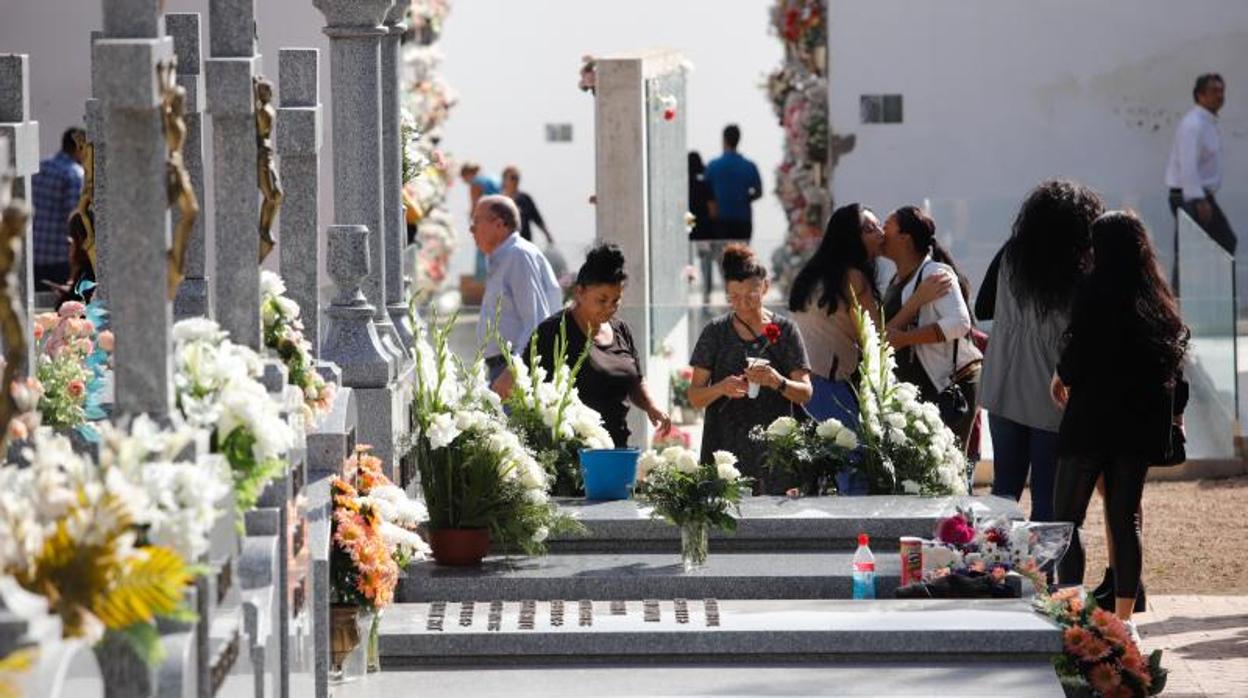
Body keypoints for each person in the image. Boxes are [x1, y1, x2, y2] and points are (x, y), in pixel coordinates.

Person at [1052, 211, 1188, 631]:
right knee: (1124, 518)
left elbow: (1074, 360)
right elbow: (1174, 369)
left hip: (1089, 421)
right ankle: (1126, 621)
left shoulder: (1090, 291)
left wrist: (1061, 378)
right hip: (1136, 425)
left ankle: (1070, 611)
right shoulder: (1156, 296)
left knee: (1067, 520)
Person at [979, 180, 1105, 522]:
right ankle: (1044, 573)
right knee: (1048, 498)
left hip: (1003, 379)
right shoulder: (1082, 266)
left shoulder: (1010, 254)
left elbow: (983, 307)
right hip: (1052, 389)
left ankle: (994, 568)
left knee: (1004, 489)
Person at [687, 244, 813, 493]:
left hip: (776, 450)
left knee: (778, 522)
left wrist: (778, 381)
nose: (742, 304)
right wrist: (722, 388)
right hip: (725, 448)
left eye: (751, 295)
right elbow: (694, 396)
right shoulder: (715, 332)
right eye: (734, 297)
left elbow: (806, 393)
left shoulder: (786, 331)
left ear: (765, 287)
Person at [521, 244, 669, 447]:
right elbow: (522, 386)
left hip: (617, 444)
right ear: (579, 292)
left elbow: (635, 380)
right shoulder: (553, 332)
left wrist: (651, 407)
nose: (610, 308)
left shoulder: (621, 330)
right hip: (570, 452)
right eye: (602, 300)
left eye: (616, 300)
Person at [880, 206, 982, 455]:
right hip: (921, 385)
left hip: (950, 384)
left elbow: (960, 323)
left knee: (949, 466)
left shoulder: (935, 274)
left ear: (904, 239)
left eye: (887, 227)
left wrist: (906, 339)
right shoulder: (896, 280)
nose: (882, 234)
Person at [471, 195, 561, 386]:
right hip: (503, 369)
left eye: (476, 221)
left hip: (513, 372)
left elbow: (537, 321)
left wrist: (514, 370)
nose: (471, 229)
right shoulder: (504, 257)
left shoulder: (518, 255)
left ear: (500, 224)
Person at [1166, 73, 1234, 289]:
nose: (1220, 96)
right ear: (1200, 95)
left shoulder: (1208, 123)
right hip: (1190, 196)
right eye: (1214, 91)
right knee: (1191, 251)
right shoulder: (1193, 124)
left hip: (1200, 196)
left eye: (1222, 91)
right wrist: (1199, 199)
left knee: (1217, 245)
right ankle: (1177, 302)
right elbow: (1188, 165)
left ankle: (1204, 293)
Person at [31, 127, 85, 292]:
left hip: (35, 253)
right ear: (78, 147)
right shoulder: (74, 174)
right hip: (60, 258)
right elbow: (74, 221)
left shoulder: (41, 166)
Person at [704, 125, 762, 242]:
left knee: (723, 256)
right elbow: (759, 192)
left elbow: (706, 192)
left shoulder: (713, 166)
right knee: (741, 256)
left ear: (724, 139)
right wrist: (745, 198)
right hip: (743, 218)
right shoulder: (749, 166)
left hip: (720, 219)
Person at [687, 151, 718, 304]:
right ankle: (707, 294)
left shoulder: (684, 186)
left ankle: (688, 289)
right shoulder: (704, 185)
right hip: (705, 229)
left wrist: (688, 227)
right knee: (706, 263)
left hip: (690, 228)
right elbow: (712, 209)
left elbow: (685, 212)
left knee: (689, 261)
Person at [461, 162, 501, 280]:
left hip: (486, 219)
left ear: (467, 174)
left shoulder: (475, 183)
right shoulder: (493, 178)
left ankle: (482, 280)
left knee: (482, 249)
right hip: (501, 218)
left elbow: (475, 205)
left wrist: (472, 220)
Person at [500, 166, 552, 245]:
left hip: (524, 242)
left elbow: (537, 218)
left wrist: (547, 235)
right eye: (513, 177)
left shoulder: (525, 198)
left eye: (517, 178)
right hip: (505, 244)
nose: (516, 181)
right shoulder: (498, 201)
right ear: (504, 180)